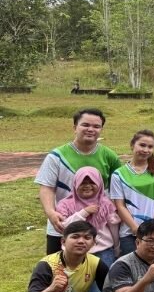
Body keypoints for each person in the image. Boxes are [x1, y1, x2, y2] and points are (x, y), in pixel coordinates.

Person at [36, 108, 123, 254]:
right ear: (75, 127)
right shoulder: (56, 156)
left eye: (96, 126)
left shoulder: (110, 156)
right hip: (62, 222)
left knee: (99, 271)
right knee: (57, 269)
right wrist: (51, 213)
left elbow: (118, 189)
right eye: (85, 125)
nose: (91, 129)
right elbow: (47, 188)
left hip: (98, 228)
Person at [112, 130, 154, 256]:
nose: (146, 150)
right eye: (142, 145)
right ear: (132, 145)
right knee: (133, 271)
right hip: (130, 233)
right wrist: (136, 229)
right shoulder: (119, 174)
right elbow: (120, 205)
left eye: (150, 147)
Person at [55, 167, 121, 271]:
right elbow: (63, 227)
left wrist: (117, 248)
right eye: (83, 183)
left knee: (104, 284)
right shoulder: (65, 204)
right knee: (77, 285)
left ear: (99, 184)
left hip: (103, 251)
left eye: (92, 182)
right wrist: (84, 213)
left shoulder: (106, 204)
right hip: (74, 253)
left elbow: (114, 228)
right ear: (76, 183)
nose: (87, 186)